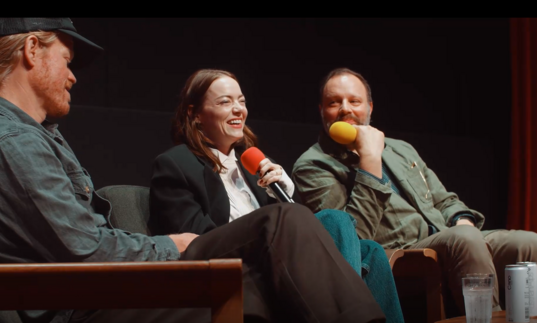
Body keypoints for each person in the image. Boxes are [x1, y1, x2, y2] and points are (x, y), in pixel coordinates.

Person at [0, 19, 386, 323]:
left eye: (242, 100)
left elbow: (83, 239)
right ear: (32, 50)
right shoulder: (14, 140)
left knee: (268, 275)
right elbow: (84, 250)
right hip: (78, 304)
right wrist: (172, 246)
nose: (73, 77)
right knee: (281, 227)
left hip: (95, 289)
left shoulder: (40, 134)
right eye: (67, 62)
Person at [149, 68, 404, 323]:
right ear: (195, 114)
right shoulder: (176, 164)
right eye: (225, 102)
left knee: (370, 251)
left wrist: (285, 194)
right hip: (237, 270)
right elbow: (195, 242)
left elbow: (297, 230)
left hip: (277, 260)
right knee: (335, 220)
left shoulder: (253, 164)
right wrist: (279, 215)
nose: (238, 109)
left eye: (241, 101)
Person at [291, 66, 537, 317]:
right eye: (334, 102)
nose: (345, 108)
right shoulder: (313, 164)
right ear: (322, 111)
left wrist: (461, 220)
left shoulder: (400, 149)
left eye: (355, 101)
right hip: (399, 249)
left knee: (528, 243)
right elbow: (351, 238)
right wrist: (369, 162)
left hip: (445, 234)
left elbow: (444, 200)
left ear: (370, 108)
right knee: (466, 240)